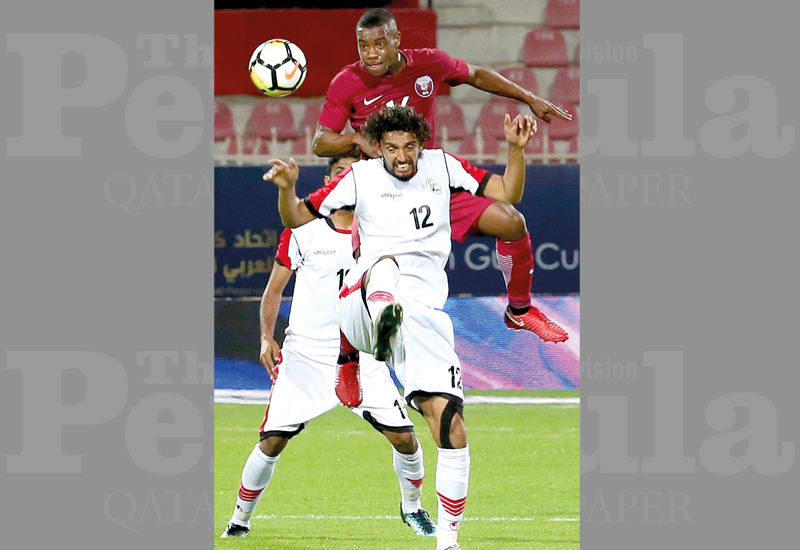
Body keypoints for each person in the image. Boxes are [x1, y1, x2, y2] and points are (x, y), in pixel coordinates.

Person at [266, 105, 537, 550]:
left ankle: (448, 542)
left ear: (421, 144)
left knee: (451, 428)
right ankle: (353, 353)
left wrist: (514, 149)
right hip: (362, 302)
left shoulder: (443, 165)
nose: (402, 156)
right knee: (384, 267)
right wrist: (288, 189)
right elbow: (296, 217)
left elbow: (509, 191)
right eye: (391, 147)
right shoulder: (359, 177)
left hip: (424, 317)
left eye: (410, 146)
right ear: (377, 148)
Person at [311, 7, 569, 343]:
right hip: (380, 190)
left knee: (510, 221)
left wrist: (529, 97)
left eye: (379, 44)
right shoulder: (347, 82)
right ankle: (348, 358)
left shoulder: (428, 63)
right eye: (363, 46)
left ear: (396, 41)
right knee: (366, 272)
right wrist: (356, 139)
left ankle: (519, 311)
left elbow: (475, 75)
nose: (371, 53)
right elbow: (321, 142)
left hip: (428, 181)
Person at [220, 155, 436, 539]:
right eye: (341, 173)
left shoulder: (382, 233)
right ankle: (240, 519)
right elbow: (273, 290)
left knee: (405, 437)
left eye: (356, 174)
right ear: (328, 182)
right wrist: (266, 337)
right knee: (271, 440)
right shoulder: (304, 230)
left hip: (362, 356)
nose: (348, 180)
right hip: (306, 355)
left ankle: (412, 507)